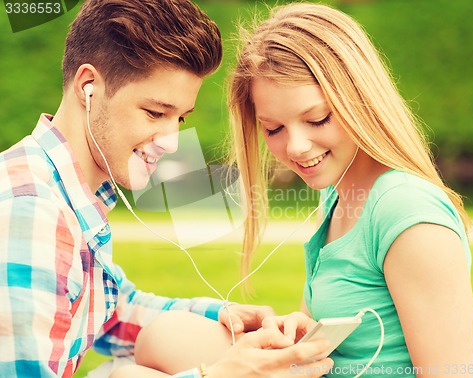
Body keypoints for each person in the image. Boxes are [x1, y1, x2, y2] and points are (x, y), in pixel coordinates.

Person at [0, 0, 334, 377]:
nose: (172, 142)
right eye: (155, 113)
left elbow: (110, 311)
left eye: (180, 117)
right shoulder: (30, 211)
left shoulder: (67, 194)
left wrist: (227, 316)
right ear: (88, 87)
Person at [224, 2, 473, 377]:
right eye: (273, 128)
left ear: (359, 98)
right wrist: (300, 332)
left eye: (317, 118)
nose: (295, 146)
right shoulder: (336, 193)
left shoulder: (405, 211)